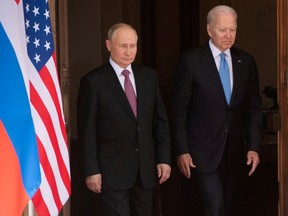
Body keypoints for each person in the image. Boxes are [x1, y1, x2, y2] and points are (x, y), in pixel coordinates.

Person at [171, 5, 263, 216]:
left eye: (232, 30)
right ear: (209, 30)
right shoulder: (191, 61)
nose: (228, 35)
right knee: (215, 205)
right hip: (201, 152)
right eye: (223, 30)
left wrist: (253, 146)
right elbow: (179, 111)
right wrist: (182, 150)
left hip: (235, 152)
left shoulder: (246, 61)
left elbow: (253, 109)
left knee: (229, 206)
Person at [77, 23, 171, 216]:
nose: (129, 52)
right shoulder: (93, 82)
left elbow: (160, 122)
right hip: (111, 171)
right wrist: (91, 170)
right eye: (122, 46)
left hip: (145, 170)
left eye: (132, 46)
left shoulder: (148, 76)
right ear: (109, 45)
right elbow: (87, 131)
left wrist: (164, 159)